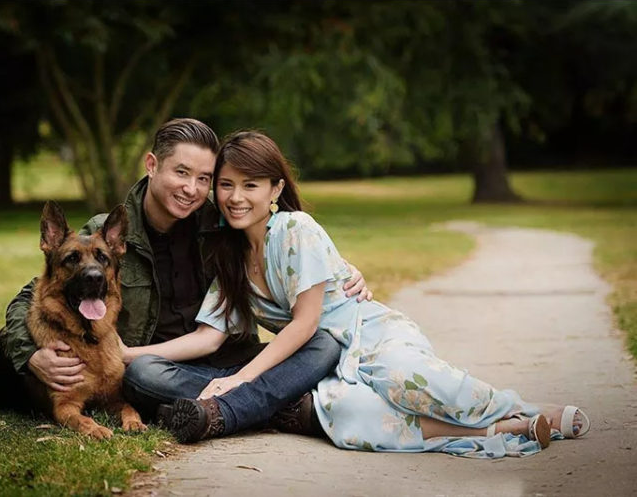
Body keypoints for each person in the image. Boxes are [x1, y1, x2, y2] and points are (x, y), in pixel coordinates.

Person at [159, 130, 591, 457]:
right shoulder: (229, 261)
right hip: (326, 365)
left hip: (370, 335)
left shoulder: (295, 229)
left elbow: (308, 322)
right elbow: (208, 336)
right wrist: (126, 355)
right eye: (227, 185)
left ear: (275, 190)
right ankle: (502, 431)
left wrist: (238, 378)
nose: (236, 197)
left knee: (407, 378)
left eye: (250, 185)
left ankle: (527, 409)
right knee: (352, 417)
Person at [0, 118, 372, 437]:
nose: (191, 189)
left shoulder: (223, 223)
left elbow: (282, 237)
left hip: (231, 360)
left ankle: (226, 409)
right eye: (181, 173)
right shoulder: (107, 235)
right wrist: (29, 355)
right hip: (162, 369)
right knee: (140, 374)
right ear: (152, 165)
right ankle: (278, 406)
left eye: (204, 178)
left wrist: (340, 270)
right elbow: (30, 298)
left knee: (321, 342)